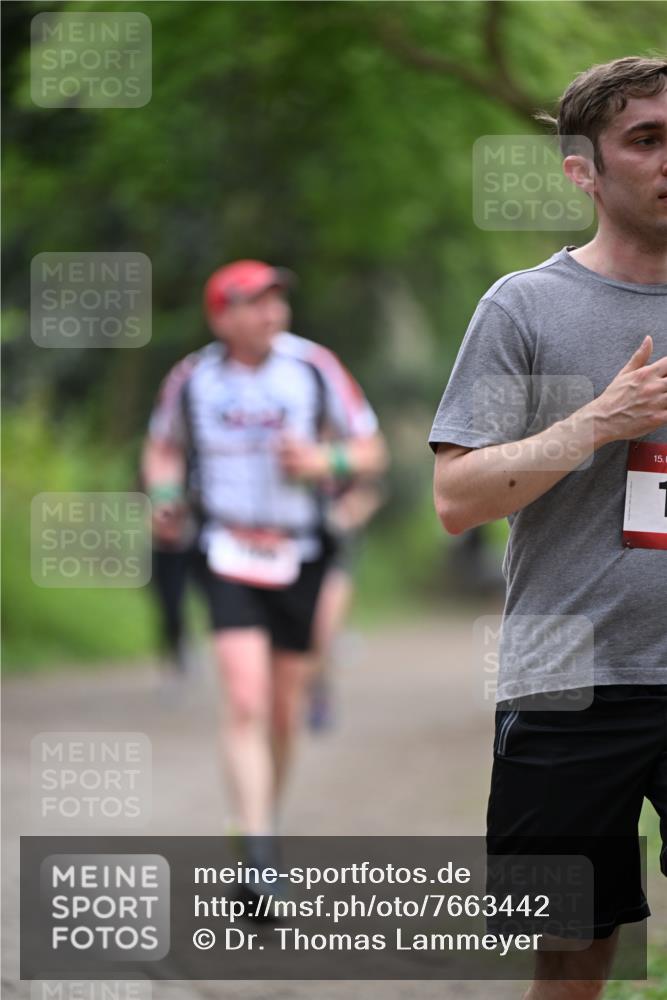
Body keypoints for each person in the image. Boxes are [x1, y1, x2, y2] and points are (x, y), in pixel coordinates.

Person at [430, 56, 666, 999]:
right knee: (570, 951)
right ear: (582, 169)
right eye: (645, 140)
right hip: (568, 681)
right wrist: (596, 423)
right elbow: (458, 500)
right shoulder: (523, 308)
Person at [142, 260, 387, 862]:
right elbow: (163, 446)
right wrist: (167, 495)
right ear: (221, 316)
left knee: (282, 711)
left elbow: (370, 450)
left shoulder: (313, 367)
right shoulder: (192, 377)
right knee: (246, 699)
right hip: (224, 548)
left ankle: (263, 818)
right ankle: (256, 849)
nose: (272, 312)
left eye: (278, 299)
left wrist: (323, 463)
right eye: (255, 302)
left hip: (299, 550)